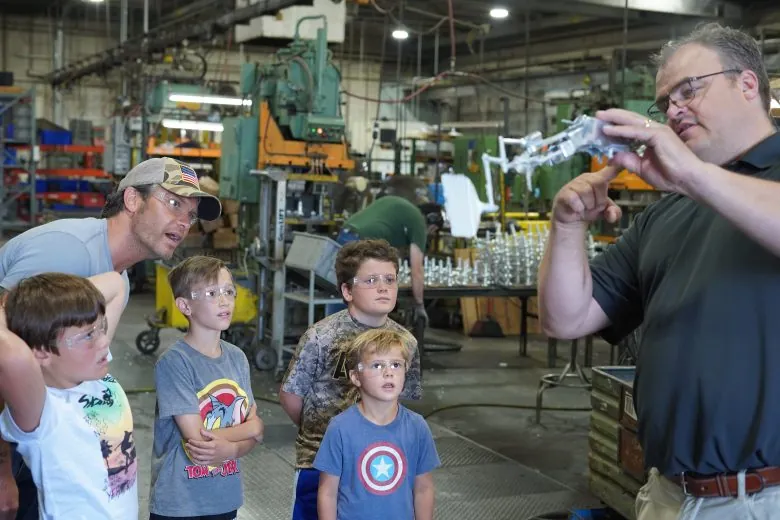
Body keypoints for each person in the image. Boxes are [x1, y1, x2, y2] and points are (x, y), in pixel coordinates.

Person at [537, 22, 780, 519]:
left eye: (689, 90)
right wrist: (566, 227)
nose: (672, 110)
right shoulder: (668, 212)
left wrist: (690, 174)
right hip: (669, 494)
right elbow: (567, 319)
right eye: (665, 101)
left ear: (748, 84)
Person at [0, 156, 222, 520]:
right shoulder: (69, 252)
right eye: (173, 203)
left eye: (192, 213)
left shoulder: (116, 277)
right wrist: (2, 471)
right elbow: (5, 353)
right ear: (132, 200)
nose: (184, 221)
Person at [280, 239, 423, 520]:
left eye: (390, 279)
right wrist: (325, 434)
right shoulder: (321, 336)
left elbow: (400, 399)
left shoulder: (406, 342)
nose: (383, 287)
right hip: (318, 462)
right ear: (347, 290)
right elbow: (290, 396)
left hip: (380, 461)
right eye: (370, 280)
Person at [0, 271, 136, 519]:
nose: (104, 341)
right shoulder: (44, 409)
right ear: (41, 352)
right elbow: (13, 355)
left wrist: (54, 309)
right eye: (87, 336)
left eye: (100, 328)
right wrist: (7, 310)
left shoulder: (93, 373)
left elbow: (116, 284)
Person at [148, 255, 263, 520]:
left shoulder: (237, 358)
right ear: (185, 305)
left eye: (228, 291)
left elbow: (253, 430)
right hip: (179, 503)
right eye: (212, 293)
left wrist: (234, 449)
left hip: (224, 496)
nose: (224, 301)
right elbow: (198, 440)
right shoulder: (175, 362)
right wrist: (251, 430)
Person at [314, 328, 439, 520]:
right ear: (356, 377)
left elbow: (424, 489)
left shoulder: (417, 427)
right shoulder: (340, 428)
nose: (389, 373)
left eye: (396, 364)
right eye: (377, 365)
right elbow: (327, 493)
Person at [335, 188, 443, 325]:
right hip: (361, 243)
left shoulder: (402, 210)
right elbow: (417, 270)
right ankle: (353, 340)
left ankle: (336, 339)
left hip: (346, 234)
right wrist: (420, 304)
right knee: (361, 297)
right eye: (432, 231)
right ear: (431, 223)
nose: (429, 234)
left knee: (343, 292)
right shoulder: (419, 223)